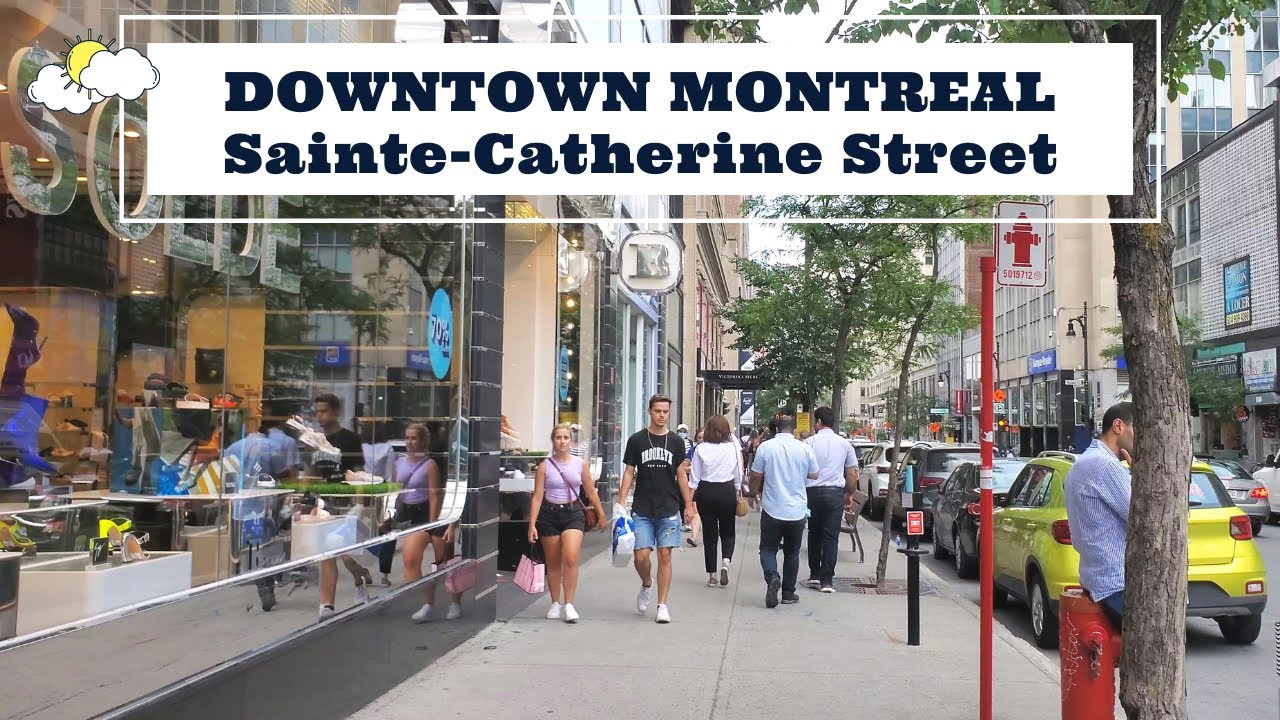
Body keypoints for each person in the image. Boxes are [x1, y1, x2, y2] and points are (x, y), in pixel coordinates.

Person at [619, 394, 695, 624]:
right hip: (643, 507)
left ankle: (662, 605)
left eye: (665, 411)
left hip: (669, 506)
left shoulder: (675, 442)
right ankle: (646, 583)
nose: (662, 415)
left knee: (665, 554)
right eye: (658, 411)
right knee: (641, 556)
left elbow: (681, 474)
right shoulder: (637, 440)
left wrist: (689, 505)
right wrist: (621, 501)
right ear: (649, 411)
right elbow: (629, 472)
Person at [1063, 402, 1135, 631]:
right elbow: (1141, 515)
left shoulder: (1085, 461)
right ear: (1119, 426)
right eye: (1140, 430)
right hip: (1116, 580)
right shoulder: (1104, 465)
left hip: (1098, 575)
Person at [528, 424, 607, 623]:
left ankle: (569, 604)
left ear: (571, 441)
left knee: (571, 557)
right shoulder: (544, 466)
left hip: (573, 513)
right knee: (553, 562)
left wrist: (601, 514)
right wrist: (532, 524)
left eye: (566, 437)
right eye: (558, 438)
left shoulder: (580, 464)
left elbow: (590, 491)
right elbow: (537, 497)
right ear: (553, 441)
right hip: (549, 514)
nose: (562, 441)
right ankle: (555, 602)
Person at [313, 393, 376, 620]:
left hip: (348, 504)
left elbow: (359, 473)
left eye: (324, 411)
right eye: (317, 411)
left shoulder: (349, 439)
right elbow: (311, 474)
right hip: (325, 504)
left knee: (349, 557)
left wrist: (361, 506)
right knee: (327, 554)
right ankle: (327, 606)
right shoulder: (315, 441)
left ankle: (359, 580)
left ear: (335, 412)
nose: (319, 415)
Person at [393, 423, 463, 622]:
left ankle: (455, 601)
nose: (409, 442)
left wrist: (433, 524)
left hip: (433, 515)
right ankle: (428, 602)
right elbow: (396, 492)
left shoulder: (429, 464)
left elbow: (435, 495)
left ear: (423, 441)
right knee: (410, 559)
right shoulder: (398, 463)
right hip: (413, 516)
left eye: (413, 438)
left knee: (445, 562)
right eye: (407, 438)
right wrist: (391, 515)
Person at [749, 414, 818, 608]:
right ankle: (788, 593)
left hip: (772, 508)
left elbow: (755, 474)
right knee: (792, 552)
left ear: (776, 428)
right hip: (797, 509)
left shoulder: (766, 447)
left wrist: (753, 493)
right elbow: (814, 474)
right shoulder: (804, 448)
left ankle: (772, 576)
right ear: (794, 429)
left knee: (768, 549)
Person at [804, 406, 859, 592]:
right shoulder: (844, 444)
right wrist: (849, 494)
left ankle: (814, 575)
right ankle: (827, 580)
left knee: (814, 533)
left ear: (818, 422)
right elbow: (851, 474)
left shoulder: (809, 443)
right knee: (830, 537)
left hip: (812, 493)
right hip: (835, 494)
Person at [689, 415, 742, 588]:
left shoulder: (700, 448)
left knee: (710, 534)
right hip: (726, 490)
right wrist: (737, 489)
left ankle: (711, 575)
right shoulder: (731, 448)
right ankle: (725, 562)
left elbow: (694, 478)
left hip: (706, 491)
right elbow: (737, 473)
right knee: (728, 530)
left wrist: (689, 501)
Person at [684, 427, 704, 546]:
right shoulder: (694, 450)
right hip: (696, 485)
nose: (701, 439)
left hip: (711, 486)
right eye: (699, 437)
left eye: (703, 437)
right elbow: (685, 463)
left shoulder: (716, 450)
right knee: (695, 509)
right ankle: (694, 536)